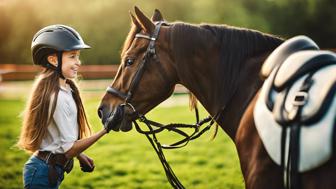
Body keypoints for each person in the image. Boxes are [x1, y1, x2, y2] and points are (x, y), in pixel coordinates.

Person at [17, 24, 108, 189]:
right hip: (41, 173)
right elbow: (69, 149)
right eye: (72, 56)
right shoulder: (56, 96)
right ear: (53, 60)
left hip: (47, 170)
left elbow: (60, 139)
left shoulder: (65, 90)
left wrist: (80, 156)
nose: (78, 62)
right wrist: (105, 129)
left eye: (78, 56)